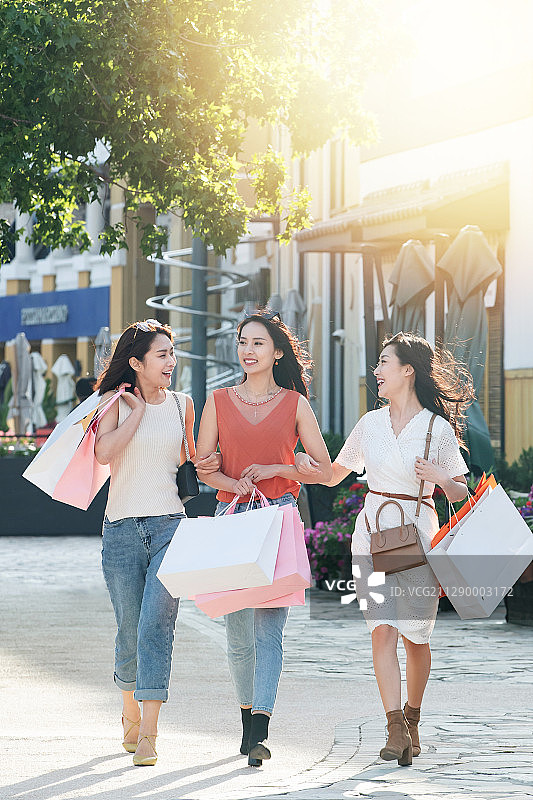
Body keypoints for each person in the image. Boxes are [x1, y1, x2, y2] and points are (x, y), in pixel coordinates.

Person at [296, 331, 474, 766]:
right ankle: (394, 727)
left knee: (415, 637)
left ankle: (412, 718)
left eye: (383, 363)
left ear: (407, 370)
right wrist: (303, 470)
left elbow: (461, 491)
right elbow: (336, 473)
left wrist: (439, 474)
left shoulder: (436, 428)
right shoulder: (370, 424)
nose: (376, 371)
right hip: (372, 531)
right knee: (382, 628)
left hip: (414, 532)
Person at [195, 310, 333, 767]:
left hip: (278, 519)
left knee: (269, 629)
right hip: (232, 517)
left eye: (257, 343)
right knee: (237, 634)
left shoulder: (295, 403)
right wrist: (234, 484)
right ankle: (245, 721)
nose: (247, 350)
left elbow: (325, 470)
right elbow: (202, 464)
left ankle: (261, 729)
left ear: (276, 353)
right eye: (242, 342)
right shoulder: (217, 400)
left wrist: (277, 468)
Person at [94, 319, 219, 766]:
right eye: (162, 354)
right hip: (121, 532)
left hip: (171, 527)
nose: (172, 361)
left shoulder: (184, 404)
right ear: (136, 362)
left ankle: (149, 733)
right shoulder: (114, 403)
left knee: (155, 628)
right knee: (129, 630)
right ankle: (129, 709)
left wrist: (215, 463)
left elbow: (193, 463)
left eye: (173, 352)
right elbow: (105, 453)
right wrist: (138, 411)